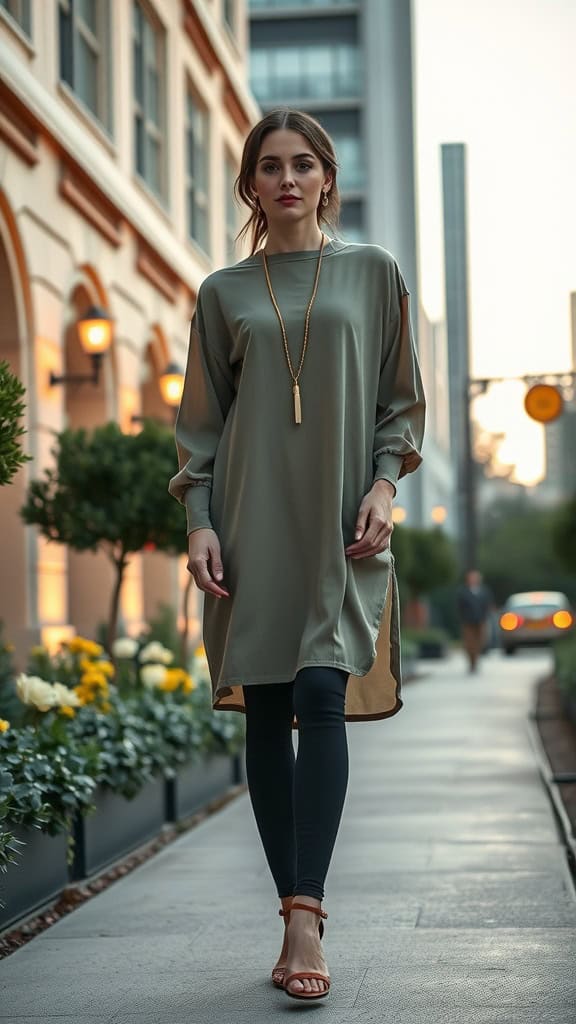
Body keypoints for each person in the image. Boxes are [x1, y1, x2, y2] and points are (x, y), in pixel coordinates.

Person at [168, 108, 425, 1002]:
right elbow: (199, 429)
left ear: (327, 180)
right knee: (269, 704)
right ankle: (294, 907)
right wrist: (200, 519)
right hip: (249, 520)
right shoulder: (223, 293)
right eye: (270, 166)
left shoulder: (374, 275)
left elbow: (401, 404)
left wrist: (385, 486)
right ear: (250, 186)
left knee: (322, 687)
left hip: (343, 522)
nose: (287, 179)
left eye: (303, 164)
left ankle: (307, 912)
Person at [457, 569, 493, 673]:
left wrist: (486, 617)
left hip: (481, 621)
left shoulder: (484, 591)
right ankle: (472, 662)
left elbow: (488, 605)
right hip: (468, 621)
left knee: (480, 641)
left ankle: (476, 660)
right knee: (469, 643)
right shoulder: (463, 592)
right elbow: (459, 607)